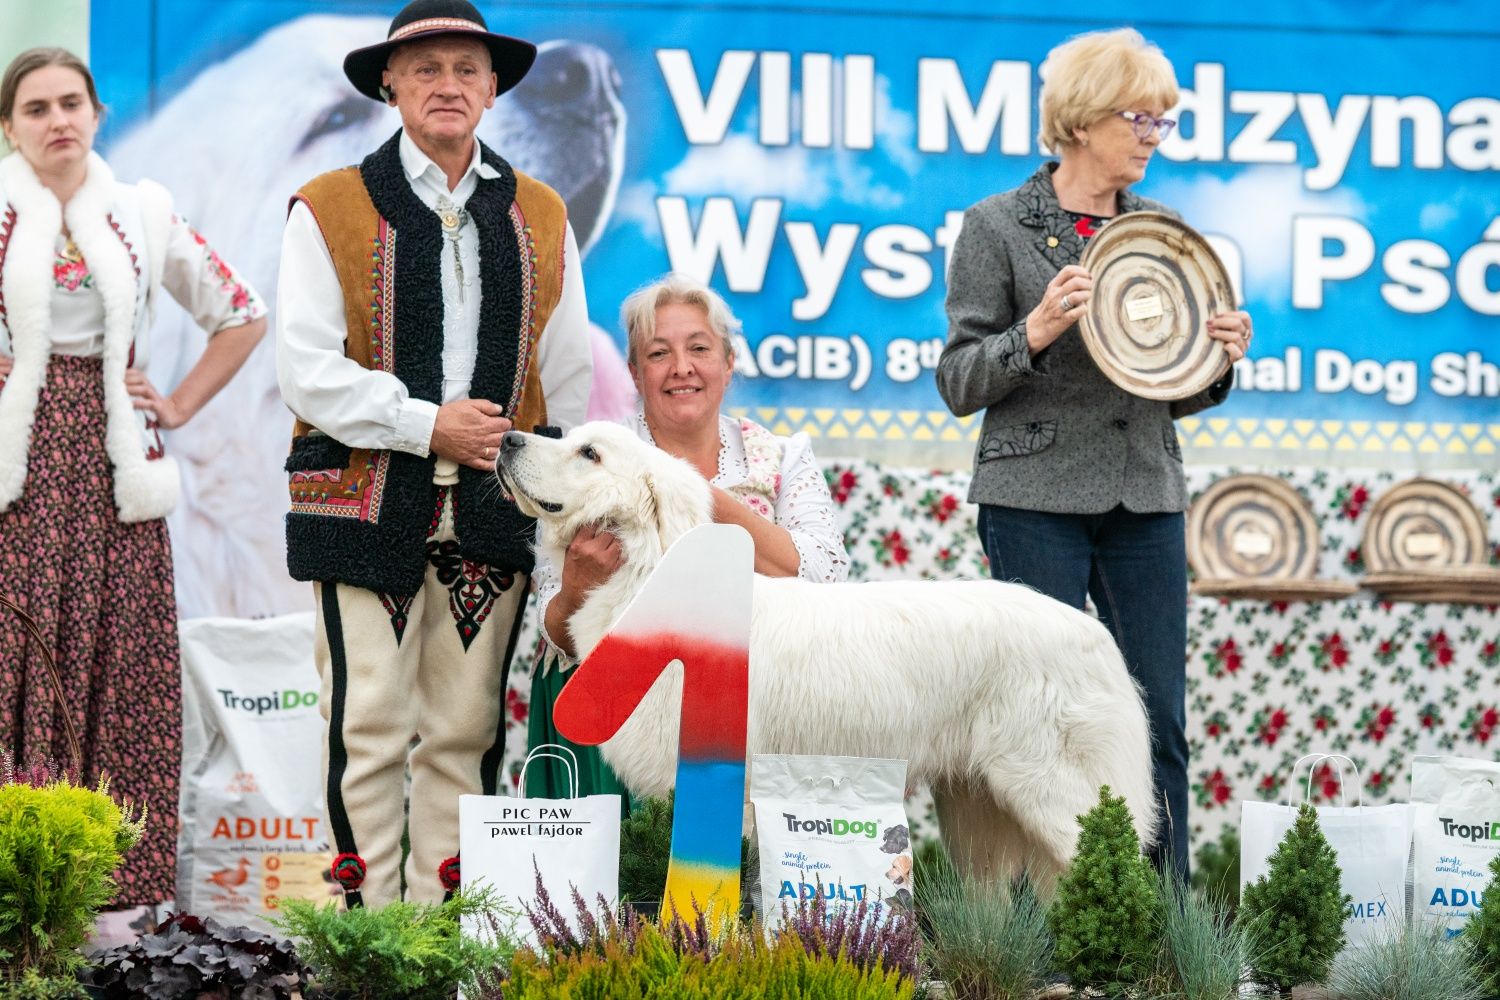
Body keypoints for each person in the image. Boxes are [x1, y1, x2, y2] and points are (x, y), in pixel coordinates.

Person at [275, 0, 592, 908]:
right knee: (366, 724)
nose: (447, 85)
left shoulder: (541, 212)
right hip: (361, 501)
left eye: (465, 68)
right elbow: (307, 371)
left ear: (492, 89)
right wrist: (429, 425)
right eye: (425, 69)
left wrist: (560, 502)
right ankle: (366, 942)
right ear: (389, 84)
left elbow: (563, 381)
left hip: (492, 509)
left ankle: (443, 937)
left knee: (463, 731)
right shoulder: (328, 206)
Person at [935, 28, 1252, 882]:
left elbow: (1171, 385)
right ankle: (1034, 933)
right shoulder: (996, 226)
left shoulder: (1166, 234)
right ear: (1079, 122)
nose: (1155, 135)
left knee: (1158, 721)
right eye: (1140, 117)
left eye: (1163, 121)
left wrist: (1216, 357)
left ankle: (1167, 925)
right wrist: (1034, 332)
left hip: (1145, 495)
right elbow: (959, 379)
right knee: (1037, 723)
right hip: (1032, 496)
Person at [0, 48, 267, 906]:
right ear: (10, 129)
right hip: (16, 465)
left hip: (117, 467)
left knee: (122, 662)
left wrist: (179, 402)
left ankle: (112, 898)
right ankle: (17, 886)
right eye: (35, 108)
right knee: (18, 652)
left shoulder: (142, 214)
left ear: (98, 112)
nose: (57, 121)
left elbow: (242, 313)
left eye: (71, 102)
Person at [527, 273, 849, 802]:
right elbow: (558, 638)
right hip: (619, 714)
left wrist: (691, 492)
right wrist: (577, 587)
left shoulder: (780, 456)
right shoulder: (587, 461)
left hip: (758, 706)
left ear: (728, 362)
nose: (682, 368)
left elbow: (822, 579)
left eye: (699, 348)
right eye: (658, 354)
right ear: (633, 371)